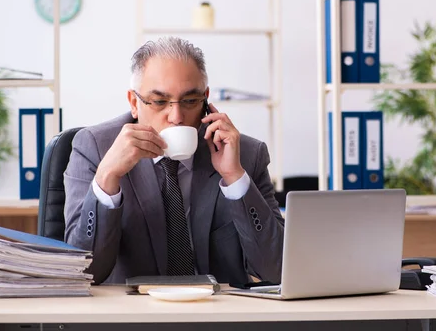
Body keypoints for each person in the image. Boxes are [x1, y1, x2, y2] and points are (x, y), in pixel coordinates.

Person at [63, 36, 284, 285]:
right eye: (159, 102)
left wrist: (235, 178)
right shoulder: (95, 147)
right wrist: (106, 179)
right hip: (131, 316)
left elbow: (276, 271)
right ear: (134, 103)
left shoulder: (245, 153)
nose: (176, 116)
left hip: (218, 316)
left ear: (206, 100)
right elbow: (82, 273)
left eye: (190, 101)